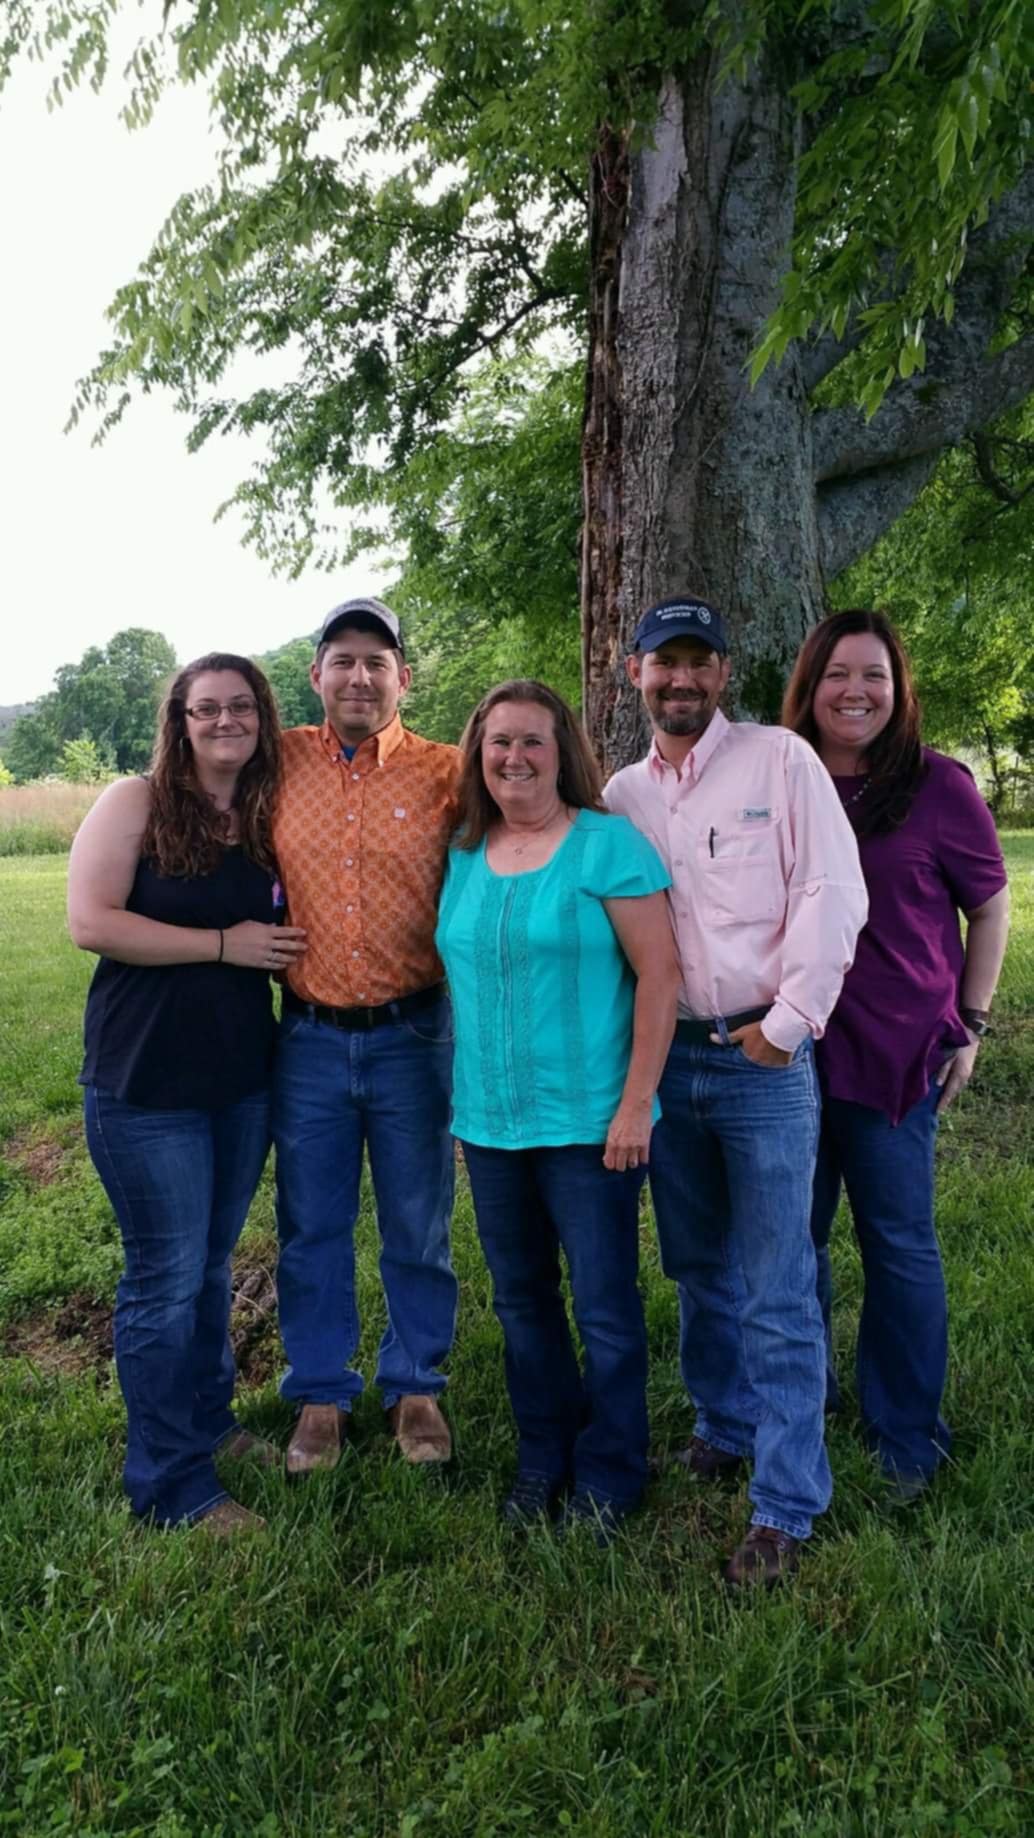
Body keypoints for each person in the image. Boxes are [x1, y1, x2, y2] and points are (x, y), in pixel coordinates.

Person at [605, 595, 869, 1585]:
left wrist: (787, 1024)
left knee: (775, 1279)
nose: (680, 677)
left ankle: (786, 1500)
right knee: (697, 1265)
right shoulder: (622, 795)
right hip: (668, 1060)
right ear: (633, 671)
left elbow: (831, 892)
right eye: (662, 661)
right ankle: (723, 1423)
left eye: (698, 660)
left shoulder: (779, 762)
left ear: (723, 671)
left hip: (762, 1056)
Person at [67, 654, 307, 1535]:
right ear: (179, 721)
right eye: (206, 708)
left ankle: (210, 1422)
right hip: (146, 1082)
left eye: (241, 706)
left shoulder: (262, 815)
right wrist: (222, 945)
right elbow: (91, 922)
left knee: (208, 1267)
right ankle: (170, 1482)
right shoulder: (134, 800)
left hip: (240, 1080)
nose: (224, 721)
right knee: (164, 1280)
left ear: (263, 718)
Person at [435, 680, 678, 1540]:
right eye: (498, 741)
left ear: (561, 750)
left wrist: (637, 1104)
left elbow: (661, 976)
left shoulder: (607, 845)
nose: (515, 757)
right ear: (479, 754)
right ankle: (545, 1452)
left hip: (591, 1125)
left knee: (604, 1305)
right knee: (521, 1300)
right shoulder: (464, 852)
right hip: (490, 1124)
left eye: (532, 740)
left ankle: (613, 1468)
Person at [782, 608, 1009, 1501]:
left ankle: (906, 1434)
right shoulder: (782, 777)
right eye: (837, 674)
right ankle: (805, 1397)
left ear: (898, 689)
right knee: (791, 1243)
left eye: (873, 675)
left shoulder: (937, 786)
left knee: (898, 1243)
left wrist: (972, 1023)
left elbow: (988, 905)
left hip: (896, 1056)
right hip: (787, 1051)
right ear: (810, 687)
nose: (855, 692)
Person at [272, 597, 461, 1474]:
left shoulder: (449, 772)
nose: (359, 676)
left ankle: (415, 1383)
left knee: (417, 1220)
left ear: (402, 678)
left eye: (376, 662)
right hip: (309, 1036)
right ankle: (320, 1392)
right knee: (311, 1222)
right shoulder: (278, 762)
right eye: (342, 660)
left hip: (414, 1033)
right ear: (316, 675)